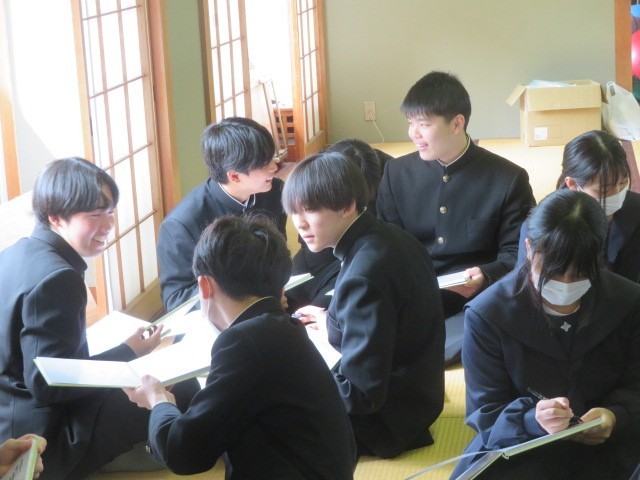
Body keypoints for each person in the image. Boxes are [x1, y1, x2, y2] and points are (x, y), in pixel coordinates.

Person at [0, 157, 198, 479]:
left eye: (110, 212)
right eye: (95, 215)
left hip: (10, 422)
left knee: (148, 377)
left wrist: (128, 350)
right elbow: (49, 383)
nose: (108, 225)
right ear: (55, 216)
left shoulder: (15, 253)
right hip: (45, 442)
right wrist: (126, 359)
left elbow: (47, 368)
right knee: (173, 384)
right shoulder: (57, 278)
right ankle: (147, 449)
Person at [125, 215, 357, 479]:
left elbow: (183, 453)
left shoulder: (245, 342)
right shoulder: (283, 328)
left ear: (204, 286)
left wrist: (158, 400)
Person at [451, 189, 640, 479]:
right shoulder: (488, 314)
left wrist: (616, 415)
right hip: (523, 444)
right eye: (553, 271)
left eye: (579, 274)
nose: (565, 283)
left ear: (597, 256)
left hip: (613, 441)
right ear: (529, 248)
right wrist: (533, 418)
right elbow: (486, 411)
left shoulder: (628, 302)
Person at [282, 152, 445, 459]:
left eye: (311, 210)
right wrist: (332, 322)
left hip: (384, 421)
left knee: (260, 418)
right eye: (294, 211)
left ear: (347, 206)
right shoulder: (389, 237)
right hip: (417, 397)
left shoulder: (363, 276)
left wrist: (295, 380)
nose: (300, 223)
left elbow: (359, 394)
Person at [376, 71, 536, 365]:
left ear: (457, 123)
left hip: (475, 300)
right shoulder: (396, 174)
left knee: (488, 328)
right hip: (412, 299)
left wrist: (486, 274)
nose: (413, 133)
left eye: (424, 124)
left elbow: (520, 251)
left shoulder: (507, 178)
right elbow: (385, 245)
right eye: (411, 123)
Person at [157, 117, 287, 311]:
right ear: (234, 176)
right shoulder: (181, 224)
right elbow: (176, 299)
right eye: (264, 164)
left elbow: (279, 256)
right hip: (219, 319)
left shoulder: (275, 192)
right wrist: (247, 299)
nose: (274, 167)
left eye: (271, 158)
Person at [517, 129, 640, 283]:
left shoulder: (636, 209)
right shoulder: (543, 224)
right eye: (605, 189)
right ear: (572, 184)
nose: (617, 193)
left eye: (622, 183)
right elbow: (526, 282)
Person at [286, 138, 390, 312]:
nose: (300, 223)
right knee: (281, 298)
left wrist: (327, 319)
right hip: (317, 250)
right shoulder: (316, 170)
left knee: (324, 306)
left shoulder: (389, 175)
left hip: (356, 250)